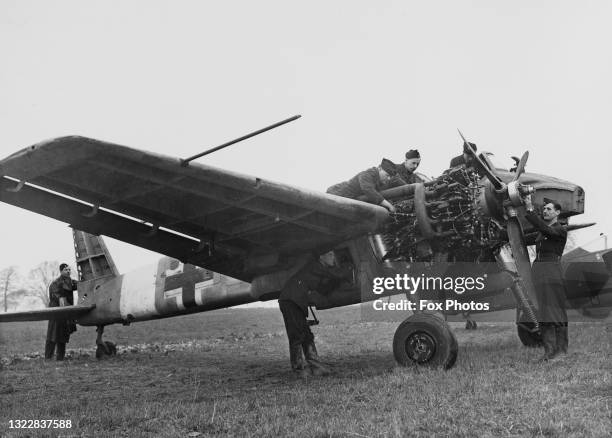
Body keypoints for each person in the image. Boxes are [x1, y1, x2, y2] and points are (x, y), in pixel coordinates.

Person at [278, 252, 352, 376]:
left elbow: (323, 289)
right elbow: (336, 274)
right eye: (330, 254)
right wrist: (349, 266)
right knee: (296, 335)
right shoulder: (315, 266)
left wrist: (337, 282)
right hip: (290, 301)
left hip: (295, 301)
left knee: (306, 335)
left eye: (334, 254)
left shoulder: (318, 271)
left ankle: (316, 366)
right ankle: (299, 369)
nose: (333, 257)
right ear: (321, 257)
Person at [524, 197, 568, 361]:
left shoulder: (560, 229)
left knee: (554, 311)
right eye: (544, 209)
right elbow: (521, 238)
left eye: (549, 209)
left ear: (557, 212)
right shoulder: (542, 231)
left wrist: (529, 209)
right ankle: (549, 352)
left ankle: (561, 351)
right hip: (539, 273)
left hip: (551, 273)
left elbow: (544, 228)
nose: (545, 211)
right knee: (543, 312)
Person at [326, 158, 398, 213]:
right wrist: (388, 205)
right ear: (379, 168)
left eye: (390, 177)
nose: (388, 179)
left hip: (348, 200)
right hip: (336, 194)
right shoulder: (367, 174)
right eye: (387, 175)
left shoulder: (379, 181)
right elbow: (368, 190)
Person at [44, 263, 78, 361]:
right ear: (61, 271)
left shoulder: (71, 282)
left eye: (69, 270)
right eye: (66, 270)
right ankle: (48, 357)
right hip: (56, 313)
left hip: (65, 313)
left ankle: (60, 358)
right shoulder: (55, 283)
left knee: (63, 335)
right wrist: (64, 306)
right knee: (52, 335)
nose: (68, 271)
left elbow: (80, 284)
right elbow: (56, 296)